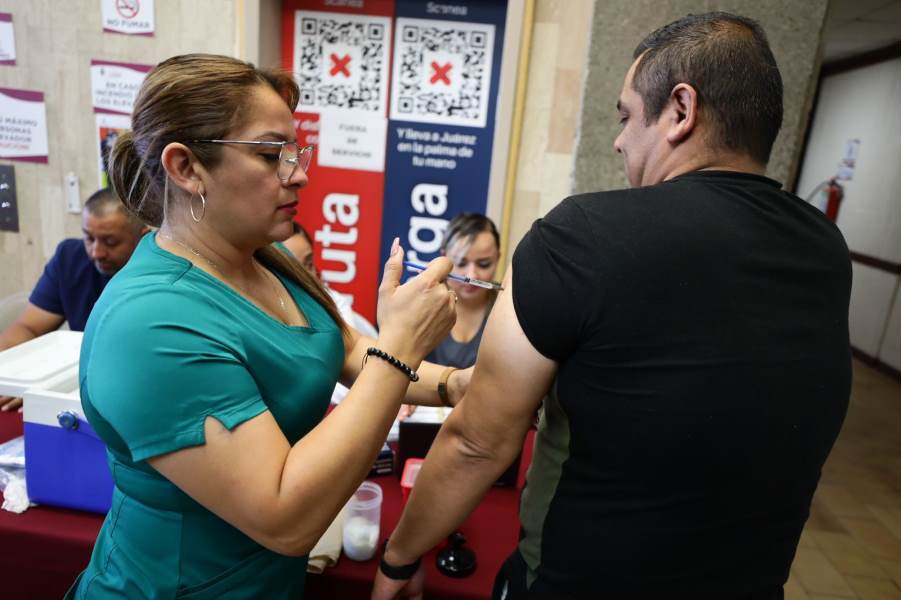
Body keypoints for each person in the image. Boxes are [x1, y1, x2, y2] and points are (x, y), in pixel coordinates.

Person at [374, 12, 851, 600]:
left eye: (626, 115)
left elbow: (478, 443)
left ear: (681, 110)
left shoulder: (580, 236)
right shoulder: (824, 249)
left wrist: (398, 558)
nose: (619, 139)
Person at [66, 54, 468, 599]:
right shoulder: (150, 324)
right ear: (185, 168)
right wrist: (402, 345)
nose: (299, 172)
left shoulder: (264, 257)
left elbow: (347, 351)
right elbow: (284, 518)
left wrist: (457, 385)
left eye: (295, 151)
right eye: (270, 153)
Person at [0, 188, 146, 412]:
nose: (97, 252)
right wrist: (15, 378)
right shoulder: (69, 258)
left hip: (125, 395)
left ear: (143, 236)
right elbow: (28, 327)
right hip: (71, 389)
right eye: (89, 237)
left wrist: (47, 385)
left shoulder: (161, 275)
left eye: (110, 241)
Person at [399, 213, 500, 419]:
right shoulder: (423, 304)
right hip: (422, 417)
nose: (472, 275)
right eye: (461, 263)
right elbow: (399, 364)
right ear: (444, 258)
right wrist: (404, 392)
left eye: (483, 264)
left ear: (498, 257)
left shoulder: (507, 310)